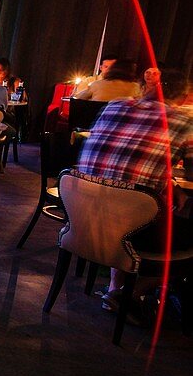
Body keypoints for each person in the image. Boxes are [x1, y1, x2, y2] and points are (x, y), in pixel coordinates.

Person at [76, 71, 193, 313]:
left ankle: (114, 290)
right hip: (129, 224)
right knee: (143, 213)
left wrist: (172, 186)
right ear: (182, 99)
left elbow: (124, 163)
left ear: (144, 88)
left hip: (81, 216)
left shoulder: (115, 106)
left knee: (128, 201)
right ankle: (131, 291)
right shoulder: (183, 122)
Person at [73, 58, 141, 101]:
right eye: (106, 67)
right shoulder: (136, 87)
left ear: (114, 69)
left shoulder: (97, 84)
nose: (108, 69)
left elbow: (77, 98)